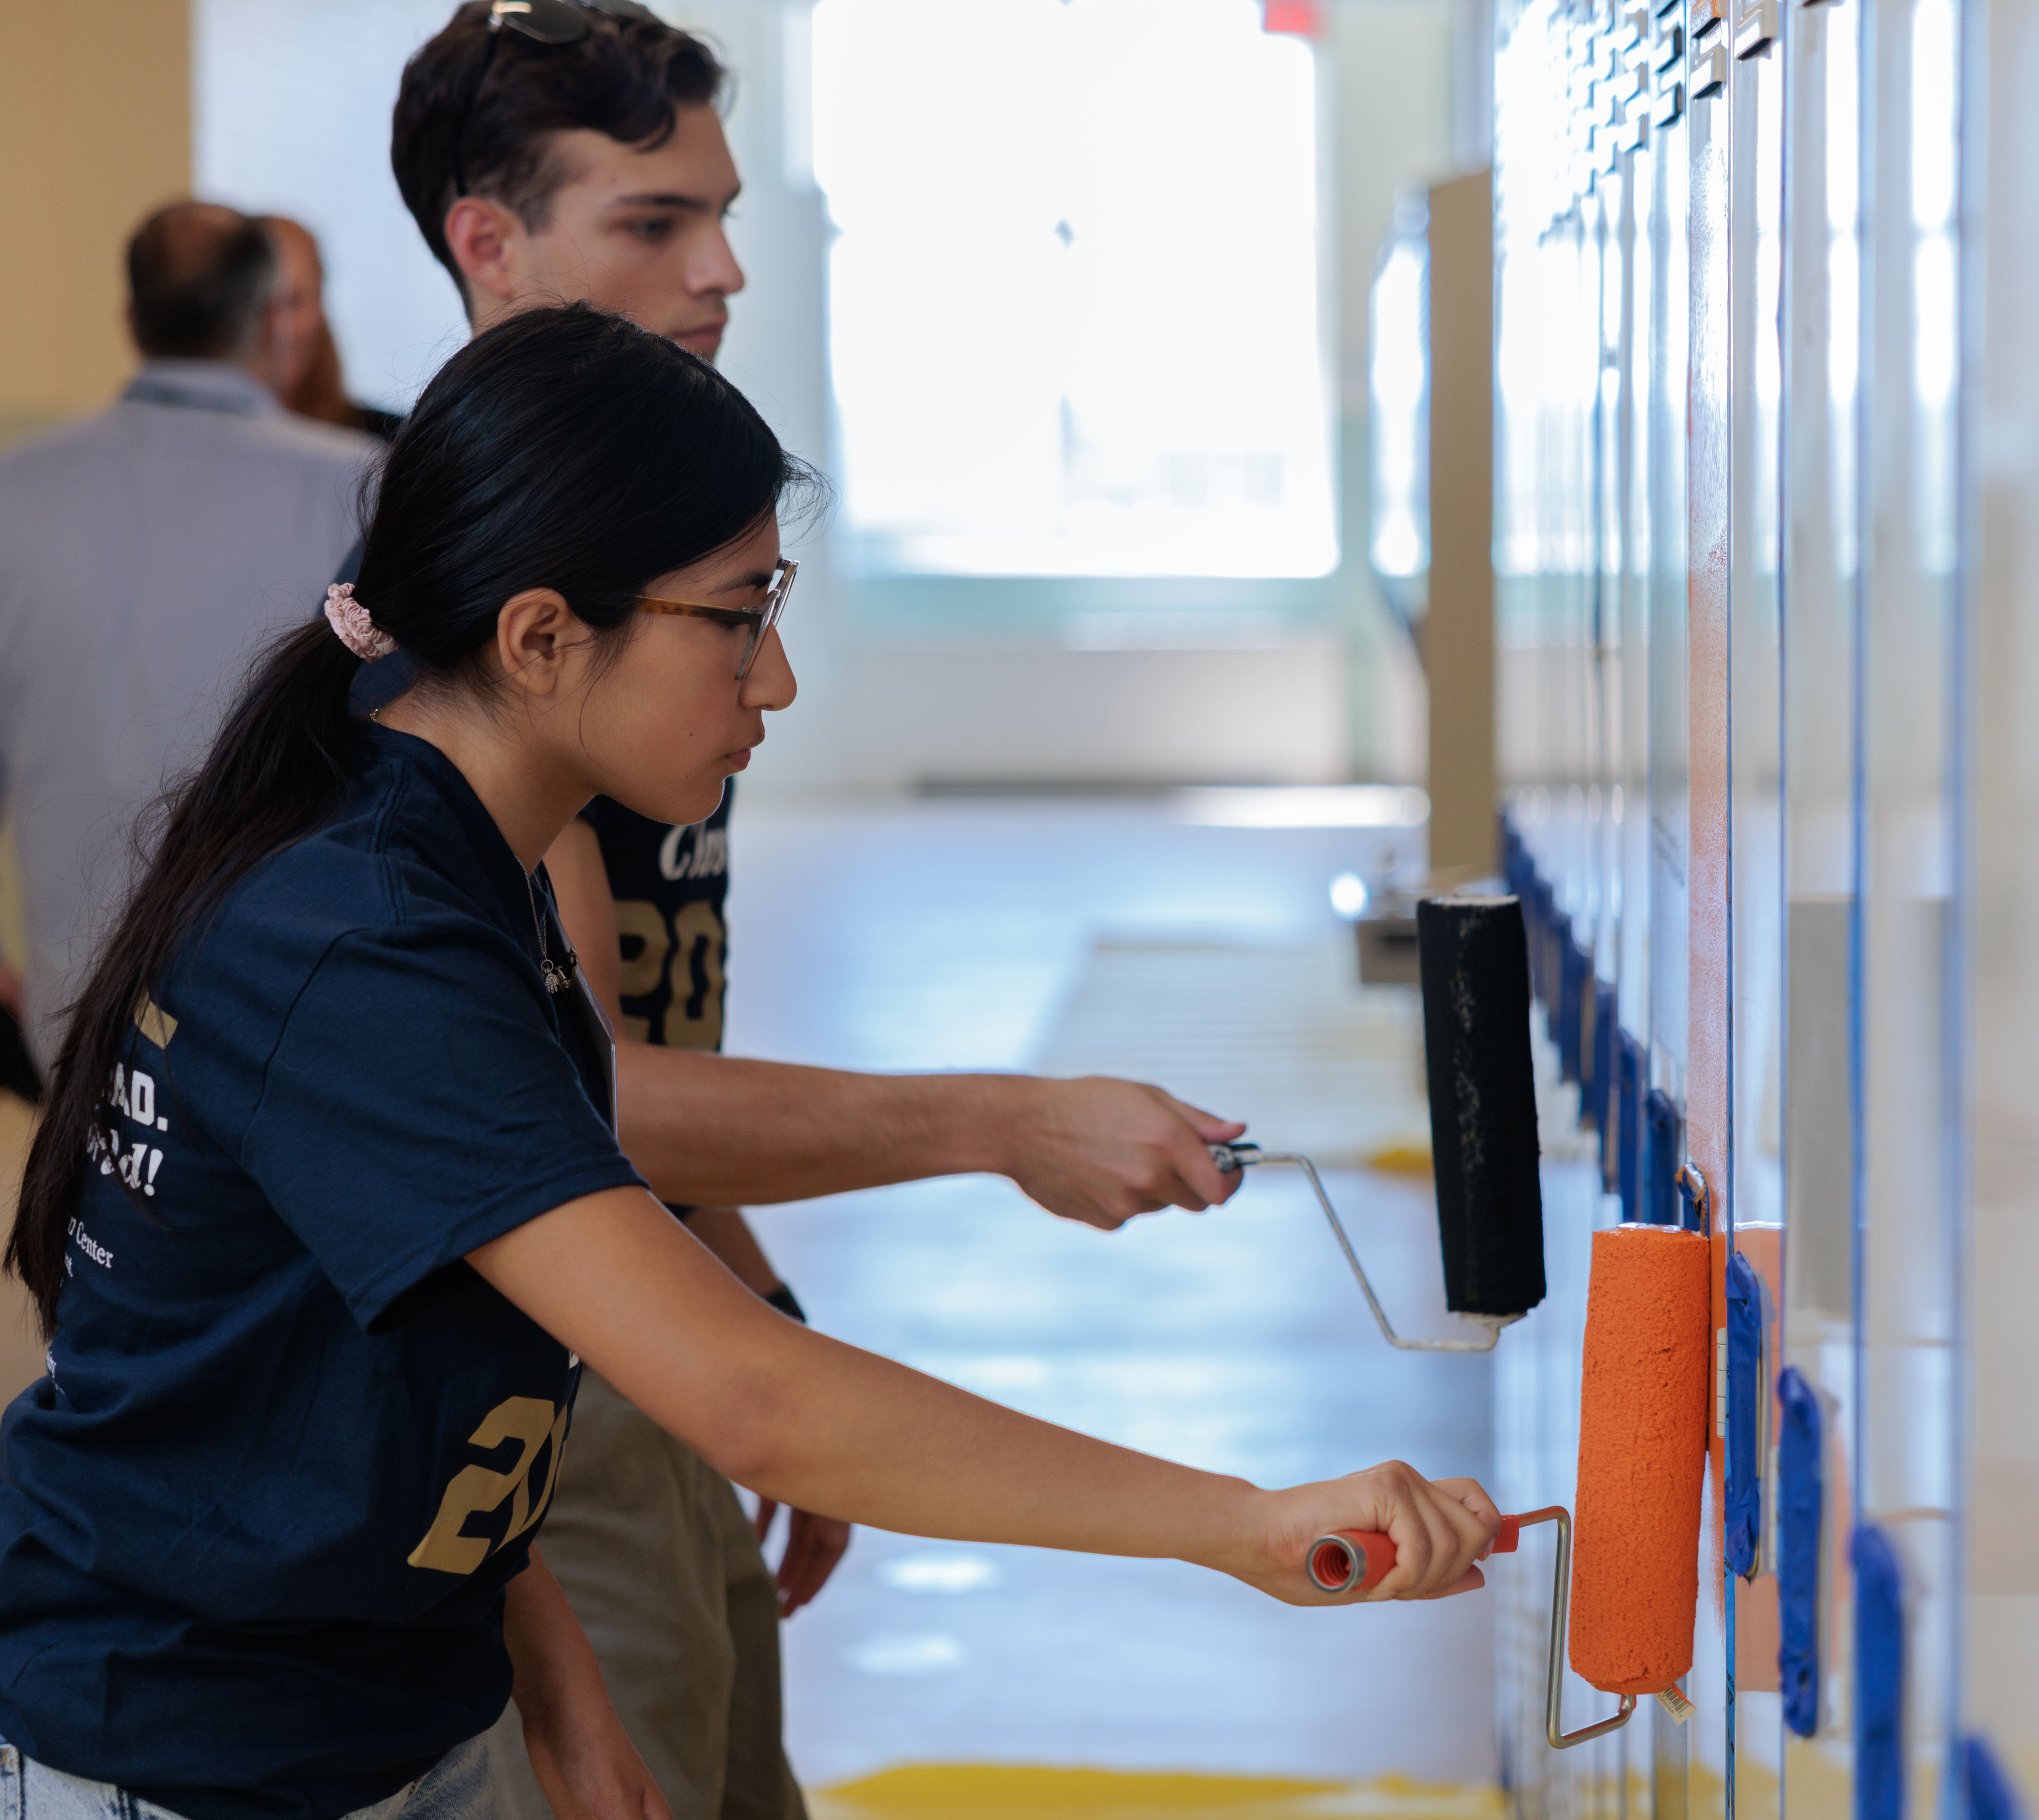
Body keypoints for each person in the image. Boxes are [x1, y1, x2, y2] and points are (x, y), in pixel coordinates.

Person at [0, 302, 1499, 1820]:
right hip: (186, 1751)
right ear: (538, 637)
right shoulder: (368, 944)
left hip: (375, 1710)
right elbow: (753, 1403)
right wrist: (1239, 1525)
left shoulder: (462, 861)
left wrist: (557, 1688)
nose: (772, 680)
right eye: (737, 616)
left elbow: (393, 1346)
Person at [380, 8, 1264, 1815]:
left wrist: (754, 1293)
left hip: (660, 1320)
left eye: (720, 213)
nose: (723, 267)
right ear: (490, 241)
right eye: (652, 222)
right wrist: (1000, 1121)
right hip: (561, 1354)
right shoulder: (457, 644)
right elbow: (577, 1093)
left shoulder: (601, 569)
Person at [0, 202, 379, 1069]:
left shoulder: (14, 492)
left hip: (72, 1019)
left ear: (132, 322)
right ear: (264, 317)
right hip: (300, 1019)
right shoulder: (358, 491)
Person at [260, 215, 408, 440]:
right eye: (257, 307)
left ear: (320, 308)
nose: (276, 329)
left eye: (293, 302)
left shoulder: (394, 447)